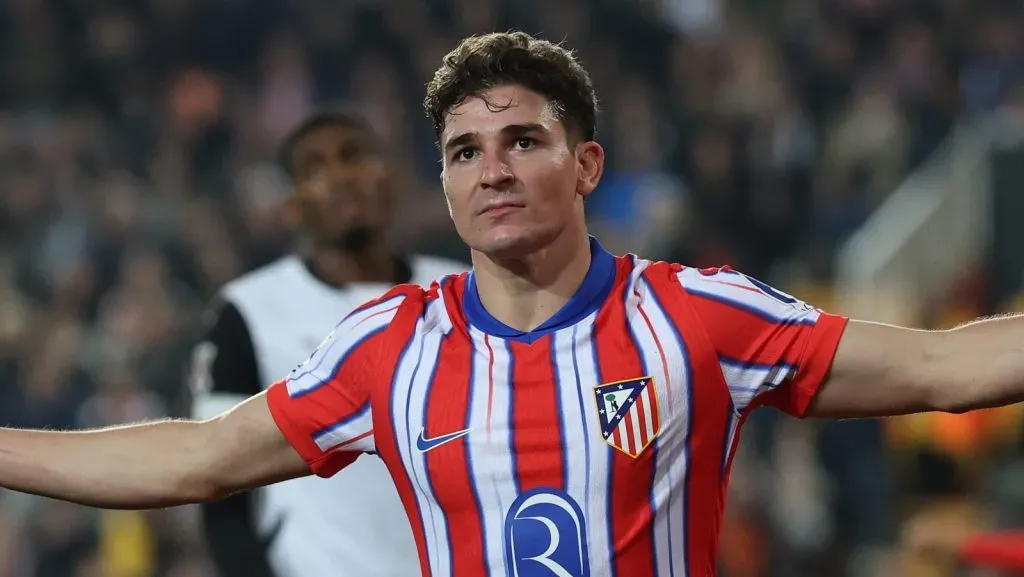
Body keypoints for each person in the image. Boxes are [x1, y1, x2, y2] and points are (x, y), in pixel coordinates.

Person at [2, 31, 1024, 576]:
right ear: (441, 189)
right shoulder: (387, 349)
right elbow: (194, 456)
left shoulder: (695, 318)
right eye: (462, 152)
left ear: (585, 165)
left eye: (521, 141)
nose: (490, 169)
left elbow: (941, 368)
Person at [188, 109, 466, 577]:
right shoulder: (247, 311)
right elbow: (216, 479)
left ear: (390, 179)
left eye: (354, 156)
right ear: (292, 205)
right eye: (314, 168)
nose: (339, 177)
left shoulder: (463, 292)